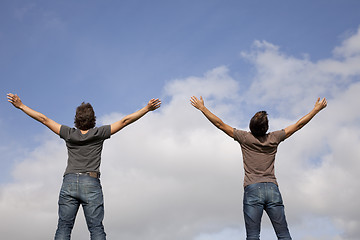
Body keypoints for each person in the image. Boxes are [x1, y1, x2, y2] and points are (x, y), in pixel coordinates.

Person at [7, 93, 161, 240]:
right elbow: (124, 121)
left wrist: (21, 106)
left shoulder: (69, 133)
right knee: (96, 228)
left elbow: (44, 119)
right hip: (91, 183)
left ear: (76, 119)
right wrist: (146, 109)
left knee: (64, 227)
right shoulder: (99, 133)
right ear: (93, 119)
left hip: (69, 182)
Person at [190, 96, 327, 240]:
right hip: (272, 189)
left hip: (253, 189)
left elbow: (220, 124)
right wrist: (315, 110)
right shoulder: (274, 138)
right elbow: (298, 125)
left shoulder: (245, 138)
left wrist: (202, 108)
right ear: (266, 127)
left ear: (251, 126)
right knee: (283, 234)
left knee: (253, 236)